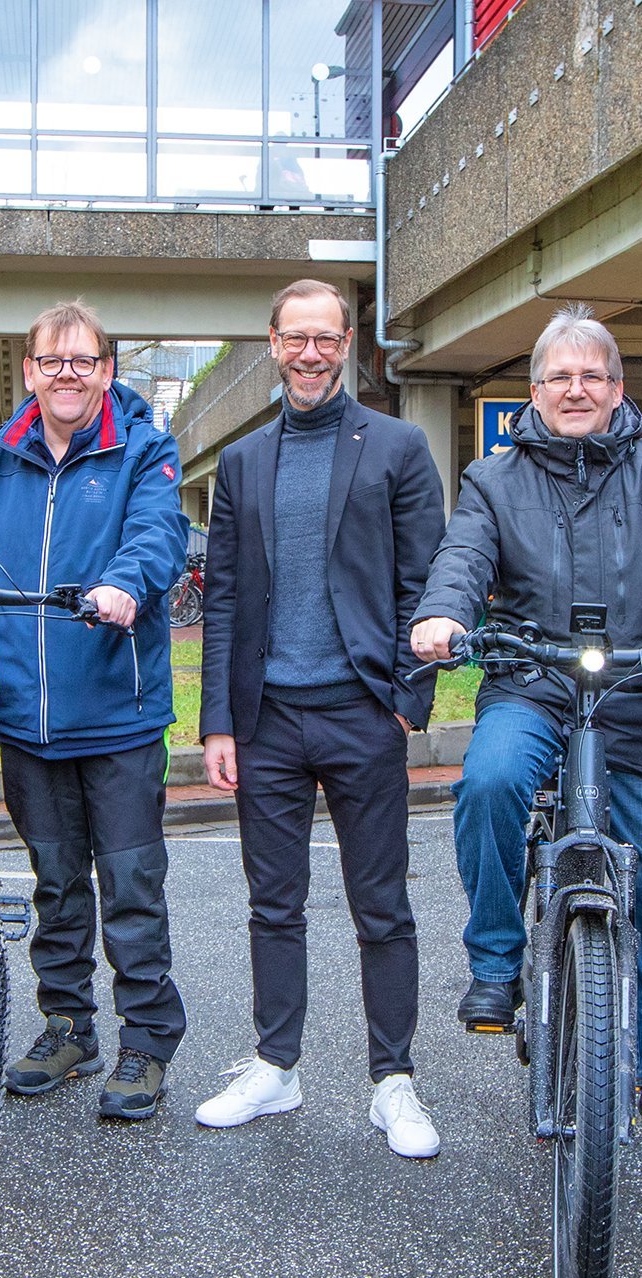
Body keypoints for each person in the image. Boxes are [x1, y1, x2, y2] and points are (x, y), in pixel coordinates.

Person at [410, 304, 642, 1176]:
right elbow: (461, 558)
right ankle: (496, 958)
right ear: (534, 392)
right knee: (489, 779)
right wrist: (445, 612)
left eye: (592, 375)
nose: (576, 389)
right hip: (532, 684)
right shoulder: (494, 478)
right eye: (559, 376)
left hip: (637, 694)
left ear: (616, 389)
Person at [194, 280, 446, 1157]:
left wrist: (408, 699)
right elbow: (221, 595)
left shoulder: (397, 446)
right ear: (271, 342)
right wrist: (217, 722)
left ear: (346, 344)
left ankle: (393, 1081)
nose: (310, 352)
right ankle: (276, 1065)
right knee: (274, 904)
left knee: (381, 905)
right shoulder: (241, 461)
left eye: (325, 338)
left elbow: (428, 583)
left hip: (360, 711)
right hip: (265, 720)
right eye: (294, 337)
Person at [0, 299, 189, 1121]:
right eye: (52, 362)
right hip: (26, 718)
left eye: (83, 361)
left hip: (115, 711)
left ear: (107, 369)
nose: (68, 375)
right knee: (54, 882)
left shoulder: (143, 450)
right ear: (29, 372)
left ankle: (146, 1039)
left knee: (129, 883)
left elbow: (157, 536)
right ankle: (67, 1025)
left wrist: (123, 585)